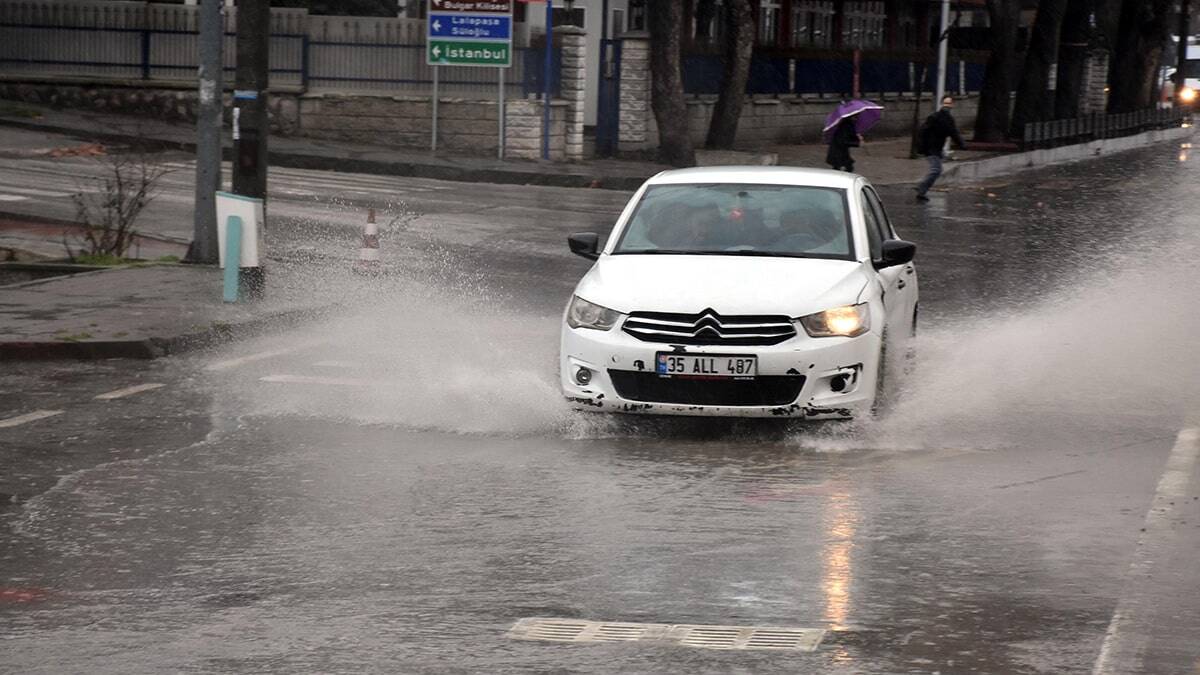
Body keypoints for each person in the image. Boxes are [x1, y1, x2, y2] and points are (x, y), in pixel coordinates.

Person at [915, 95, 966, 201]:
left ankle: (922, 188)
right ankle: (922, 188)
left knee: (937, 168)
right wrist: (922, 146)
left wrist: (961, 144)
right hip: (931, 148)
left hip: (936, 148)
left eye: (949, 104)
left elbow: (953, 133)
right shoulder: (936, 117)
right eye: (946, 104)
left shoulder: (945, 118)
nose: (947, 106)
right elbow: (923, 131)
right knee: (936, 170)